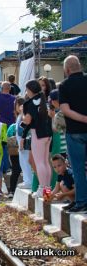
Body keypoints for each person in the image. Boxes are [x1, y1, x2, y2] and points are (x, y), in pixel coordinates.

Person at [59, 55, 87, 213]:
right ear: (80, 67)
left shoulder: (64, 85)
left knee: (78, 169)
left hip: (75, 132)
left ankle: (82, 201)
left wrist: (83, 119)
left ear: (67, 70)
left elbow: (65, 109)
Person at [21, 80, 52, 198]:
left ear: (30, 90)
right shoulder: (44, 99)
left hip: (37, 134)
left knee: (39, 162)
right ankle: (47, 191)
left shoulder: (30, 103)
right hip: (48, 134)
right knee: (45, 162)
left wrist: (22, 114)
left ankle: (42, 188)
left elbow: (27, 121)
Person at [14, 97, 33, 190]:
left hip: (24, 141)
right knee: (23, 162)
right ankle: (27, 180)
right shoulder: (20, 115)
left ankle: (29, 181)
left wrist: (21, 141)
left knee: (26, 162)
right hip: (21, 141)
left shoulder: (23, 115)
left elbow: (23, 129)